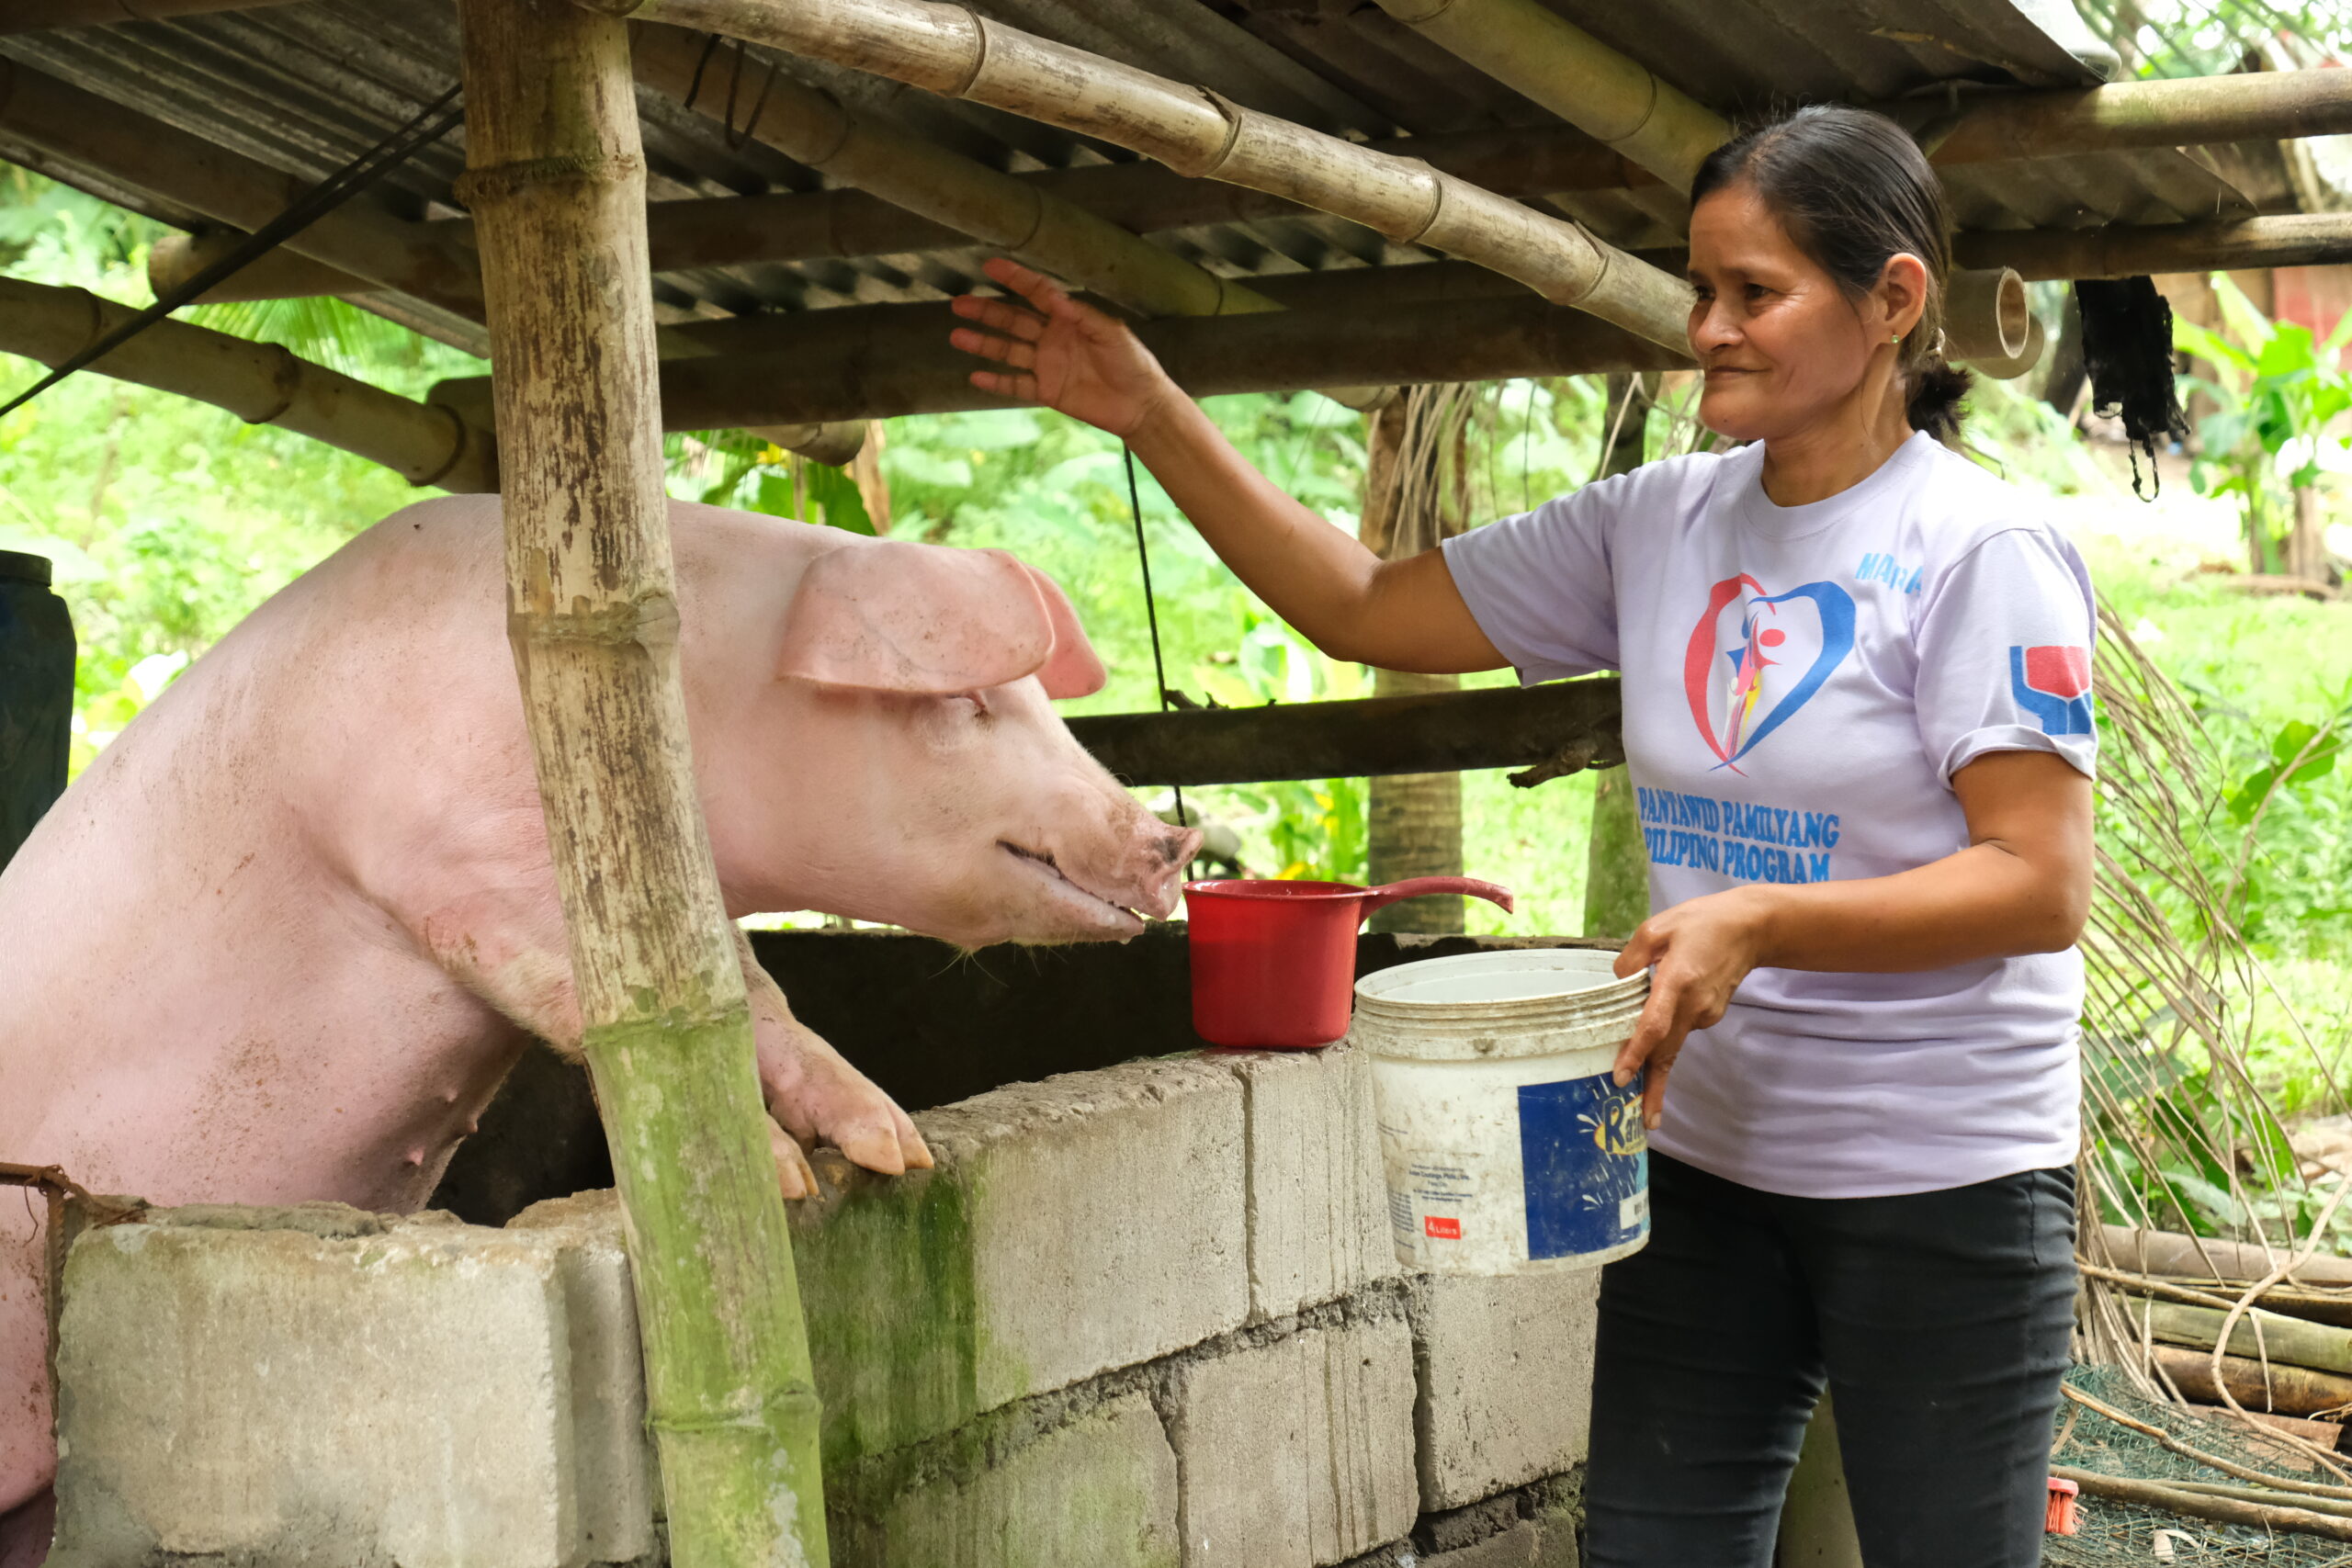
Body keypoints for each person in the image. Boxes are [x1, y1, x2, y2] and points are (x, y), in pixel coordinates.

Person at [948, 102, 2091, 1568]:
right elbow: (1364, 606)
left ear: (1893, 303)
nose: (1711, 330)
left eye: (1758, 293)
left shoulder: (1980, 552)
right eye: (1702, 290)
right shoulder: (1656, 524)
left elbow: (2037, 882)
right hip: (1702, 1169)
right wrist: (1152, 410)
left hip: (1942, 1181)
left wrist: (1762, 921)